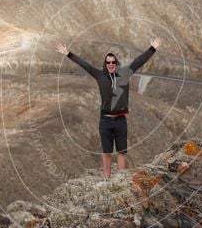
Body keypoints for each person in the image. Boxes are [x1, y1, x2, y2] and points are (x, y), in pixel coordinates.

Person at [55, 38, 163, 178]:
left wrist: (152, 48)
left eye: (113, 62)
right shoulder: (99, 75)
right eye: (108, 62)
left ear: (116, 63)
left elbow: (138, 62)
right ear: (105, 64)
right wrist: (68, 53)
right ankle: (107, 179)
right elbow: (85, 65)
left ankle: (121, 178)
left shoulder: (125, 74)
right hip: (105, 121)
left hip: (120, 120)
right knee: (106, 152)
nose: (111, 64)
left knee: (122, 152)